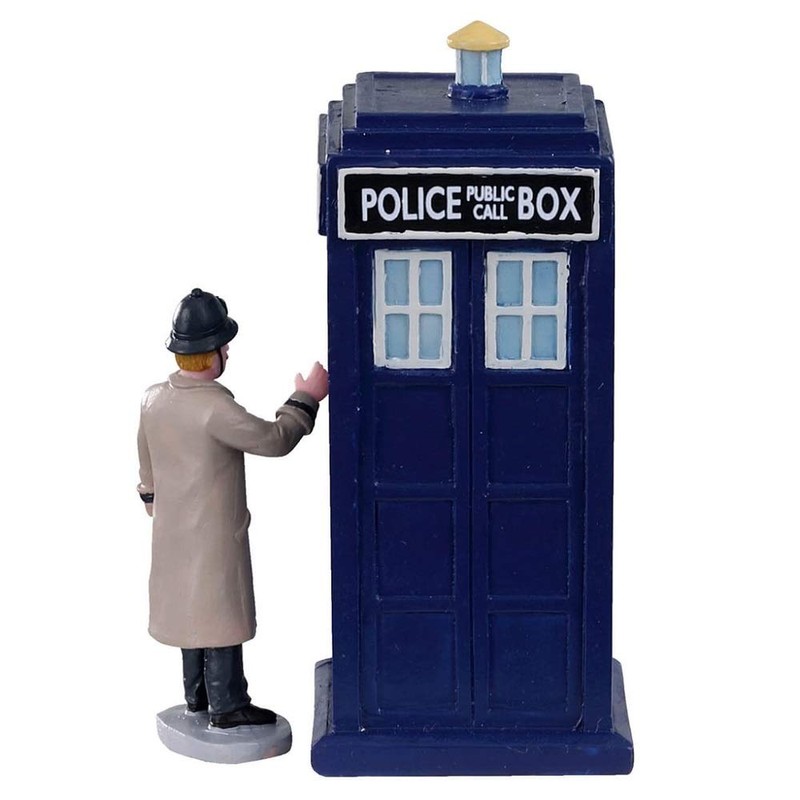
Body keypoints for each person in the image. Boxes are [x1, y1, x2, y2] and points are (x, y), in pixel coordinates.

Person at [137, 288, 328, 728]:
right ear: (212, 354)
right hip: (213, 534)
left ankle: (197, 697)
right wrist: (305, 398)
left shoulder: (152, 399)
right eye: (224, 347)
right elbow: (274, 439)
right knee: (218, 614)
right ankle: (227, 705)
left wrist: (151, 499)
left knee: (189, 612)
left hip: (171, 532)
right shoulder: (214, 409)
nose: (228, 353)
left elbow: (145, 460)